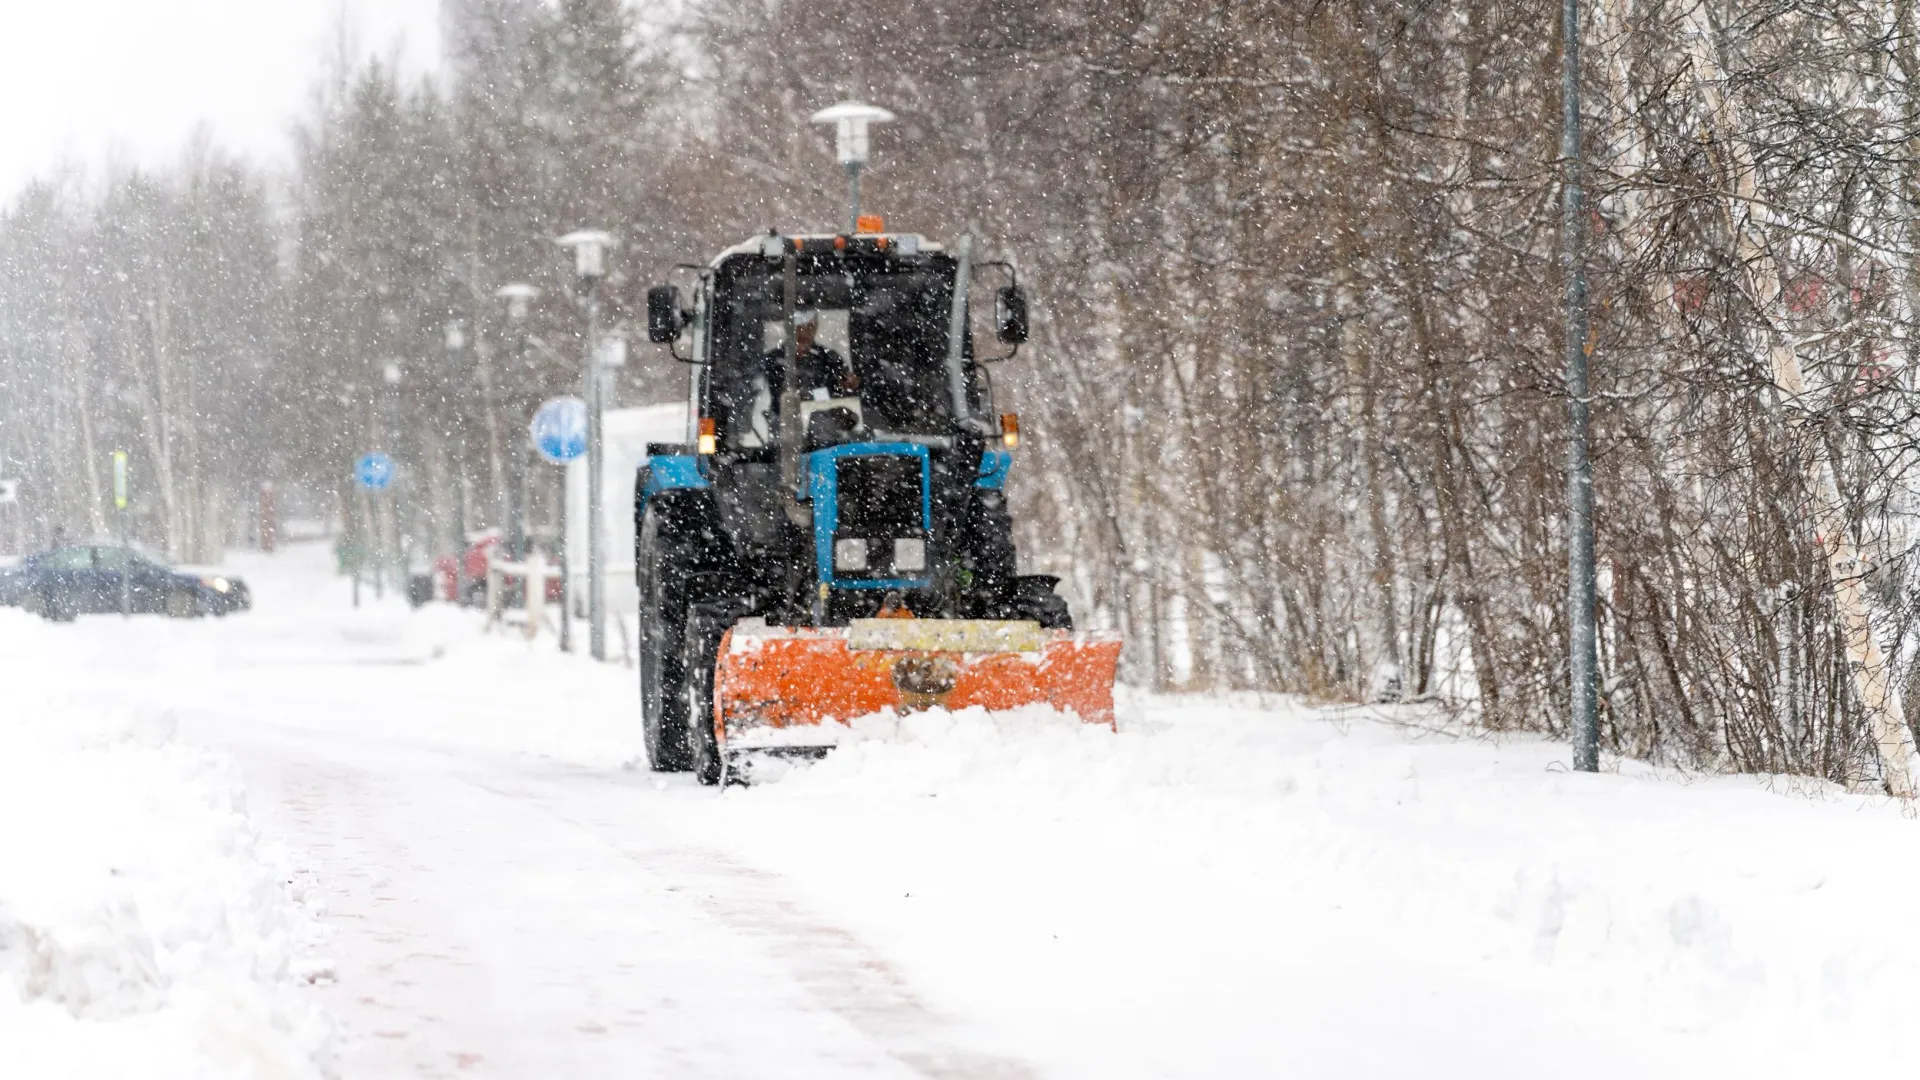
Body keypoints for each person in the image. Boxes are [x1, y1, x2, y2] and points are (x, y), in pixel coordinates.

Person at [765, 308, 858, 399]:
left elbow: (844, 387)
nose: (803, 332)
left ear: (815, 328)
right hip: (785, 412)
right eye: (798, 328)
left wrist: (848, 384)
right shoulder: (773, 358)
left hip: (822, 411)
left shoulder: (829, 357)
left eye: (809, 327)